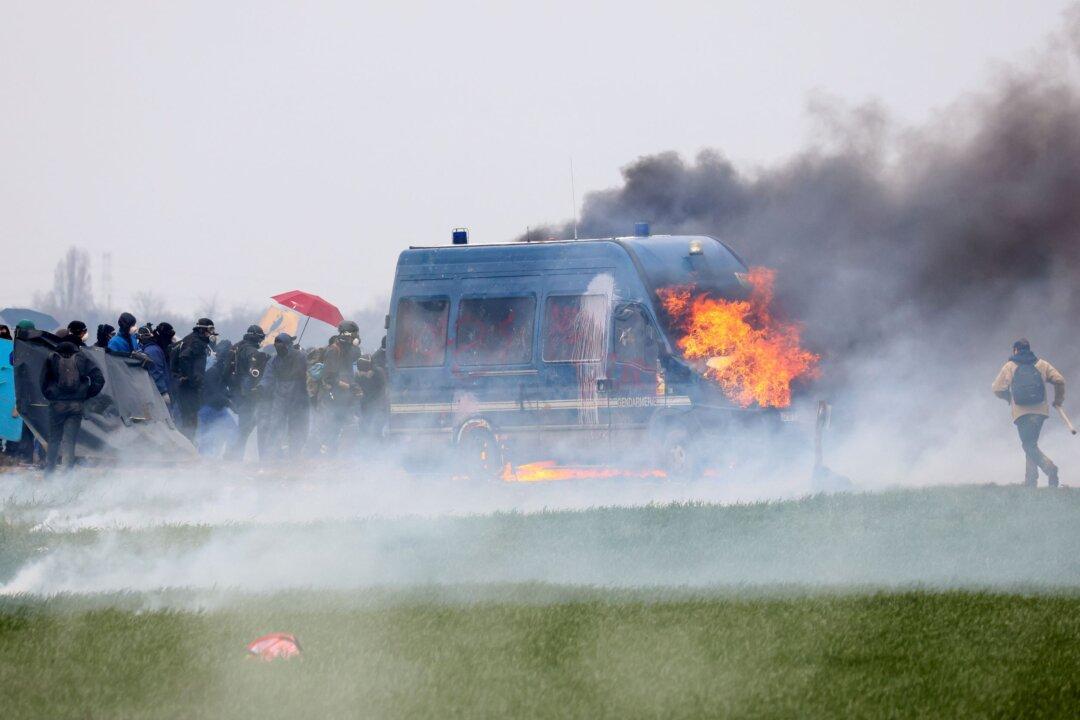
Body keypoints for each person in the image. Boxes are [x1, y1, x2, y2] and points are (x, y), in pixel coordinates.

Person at [992, 339, 1066, 487]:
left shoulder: (1010, 366)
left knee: (1028, 445)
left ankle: (1050, 468)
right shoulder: (1041, 364)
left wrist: (1008, 398)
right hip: (1039, 412)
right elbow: (1059, 380)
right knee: (1030, 444)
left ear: (1015, 350)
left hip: (1021, 413)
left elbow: (996, 388)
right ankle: (1030, 481)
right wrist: (1058, 400)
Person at [39, 338, 105, 474]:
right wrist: (87, 393)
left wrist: (50, 395)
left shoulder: (51, 358)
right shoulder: (82, 358)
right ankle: (67, 473)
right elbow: (99, 378)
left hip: (56, 405)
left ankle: (49, 471)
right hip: (76, 405)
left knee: (54, 438)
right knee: (70, 440)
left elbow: (43, 381)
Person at [260, 333, 309, 459]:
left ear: (288, 345)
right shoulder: (274, 360)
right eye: (277, 345)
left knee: (297, 426)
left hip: (298, 396)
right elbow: (268, 377)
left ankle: (295, 454)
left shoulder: (301, 357)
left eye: (281, 344)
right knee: (276, 425)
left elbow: (309, 374)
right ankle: (272, 455)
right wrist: (261, 387)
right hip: (280, 396)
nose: (278, 347)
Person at [317, 321, 362, 454]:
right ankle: (325, 451)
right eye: (355, 334)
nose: (357, 337)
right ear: (347, 334)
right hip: (334, 394)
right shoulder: (333, 351)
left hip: (345, 394)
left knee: (342, 422)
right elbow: (331, 378)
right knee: (334, 423)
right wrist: (350, 387)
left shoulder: (348, 350)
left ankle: (336, 451)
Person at [223, 325, 267, 460]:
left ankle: (233, 456)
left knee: (244, 426)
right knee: (246, 427)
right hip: (248, 395)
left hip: (236, 392)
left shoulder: (236, 348)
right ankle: (233, 457)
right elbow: (254, 374)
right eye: (261, 338)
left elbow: (226, 372)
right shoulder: (252, 351)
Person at [173, 318, 216, 441]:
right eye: (210, 330)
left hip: (188, 386)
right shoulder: (195, 341)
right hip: (188, 387)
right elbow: (184, 357)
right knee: (189, 419)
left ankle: (188, 447)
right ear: (202, 329)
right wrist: (192, 378)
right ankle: (187, 448)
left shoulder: (193, 339)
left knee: (189, 418)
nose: (211, 333)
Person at [141, 322, 176, 405]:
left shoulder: (158, 349)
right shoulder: (154, 351)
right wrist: (163, 392)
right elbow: (156, 372)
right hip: (158, 395)